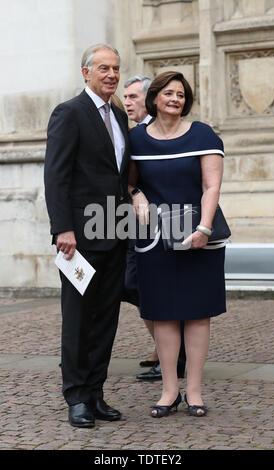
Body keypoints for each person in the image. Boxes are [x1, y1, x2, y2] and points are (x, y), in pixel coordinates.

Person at [128, 71, 226, 418]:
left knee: (198, 313)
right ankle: (170, 391)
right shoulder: (135, 139)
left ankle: (195, 392)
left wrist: (203, 228)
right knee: (163, 314)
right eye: (168, 93)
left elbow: (211, 186)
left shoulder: (202, 134)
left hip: (199, 234)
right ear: (154, 98)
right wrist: (136, 195)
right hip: (153, 237)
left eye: (181, 95)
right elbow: (127, 182)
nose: (175, 99)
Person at [44, 44, 130, 428]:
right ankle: (76, 397)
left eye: (115, 68)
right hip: (78, 239)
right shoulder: (69, 112)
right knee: (78, 320)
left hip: (115, 232)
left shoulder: (120, 116)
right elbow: (56, 175)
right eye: (103, 68)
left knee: (106, 320)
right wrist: (63, 228)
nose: (111, 74)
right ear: (86, 72)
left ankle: (95, 394)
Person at [123, 75, 186, 381]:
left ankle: (172, 353)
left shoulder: (161, 132)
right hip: (135, 225)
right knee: (136, 286)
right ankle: (164, 348)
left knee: (144, 286)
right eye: (126, 97)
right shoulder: (134, 133)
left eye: (133, 97)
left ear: (150, 98)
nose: (127, 102)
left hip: (168, 224)